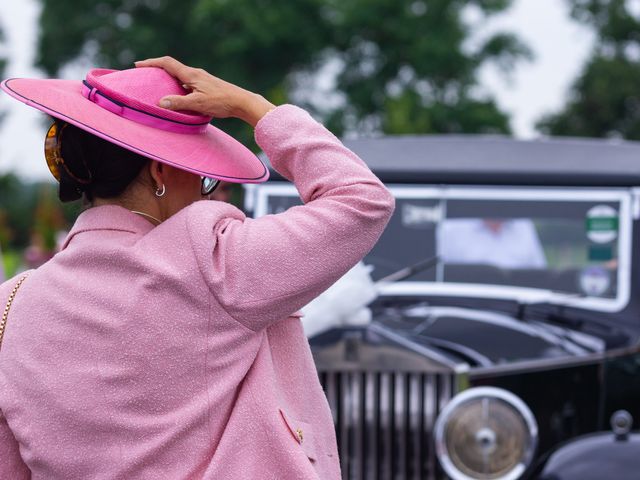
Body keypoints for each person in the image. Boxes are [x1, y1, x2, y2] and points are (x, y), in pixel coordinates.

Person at [0, 57, 394, 479]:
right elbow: (362, 200)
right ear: (160, 171)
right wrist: (253, 107)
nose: (206, 191)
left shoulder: (12, 304)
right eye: (203, 175)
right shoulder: (214, 262)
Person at [439, 218, 547, 269]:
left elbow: (539, 274)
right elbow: (440, 278)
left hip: (520, 310)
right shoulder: (451, 228)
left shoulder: (523, 225)